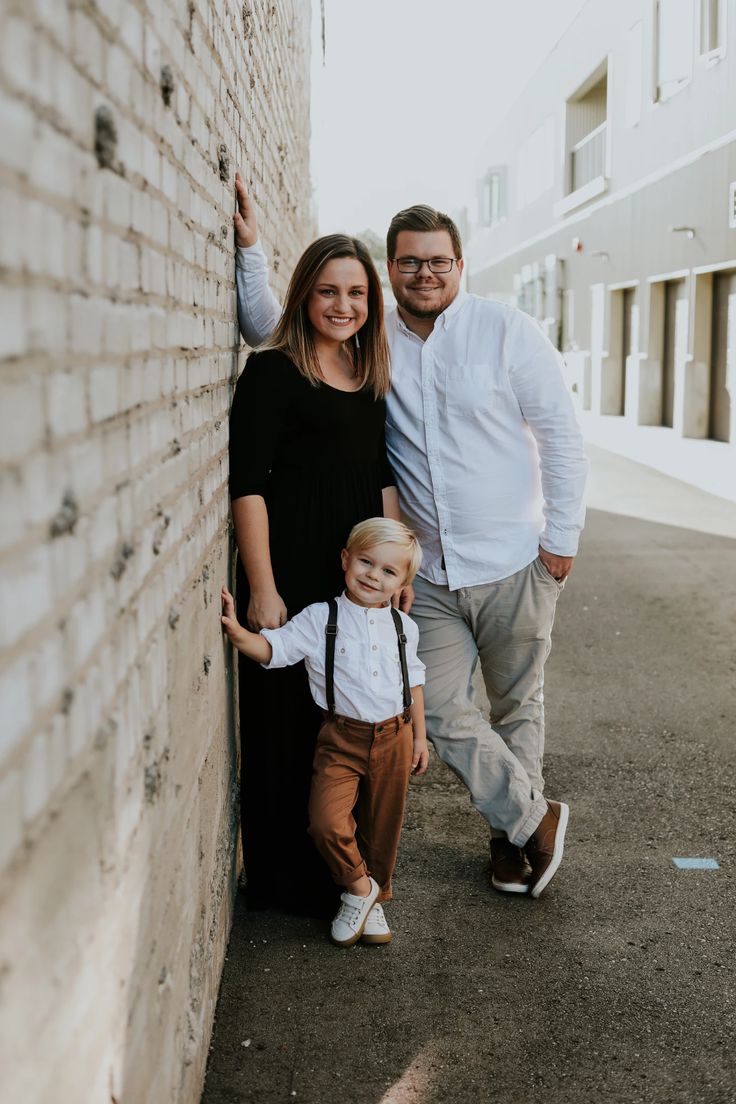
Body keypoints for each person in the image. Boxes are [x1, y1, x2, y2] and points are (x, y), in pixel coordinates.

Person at [234, 174, 588, 899]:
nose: (424, 273)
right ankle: (532, 819)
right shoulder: (372, 335)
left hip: (516, 562)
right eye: (409, 262)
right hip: (424, 574)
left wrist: (561, 539)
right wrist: (250, 253)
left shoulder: (506, 330)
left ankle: (512, 840)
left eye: (439, 261)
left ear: (460, 265)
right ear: (389, 268)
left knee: (519, 708)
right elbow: (281, 324)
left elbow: (559, 434)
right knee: (446, 714)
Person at [229, 224, 400, 916]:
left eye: (356, 292)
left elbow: (379, 473)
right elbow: (248, 485)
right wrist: (263, 587)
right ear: (304, 296)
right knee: (289, 723)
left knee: (347, 719)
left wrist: (393, 564)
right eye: (328, 290)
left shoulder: (369, 373)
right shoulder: (273, 371)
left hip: (355, 576)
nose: (343, 305)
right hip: (292, 572)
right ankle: (285, 882)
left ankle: (344, 874)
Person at [221, 518, 428, 946]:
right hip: (342, 739)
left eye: (389, 571)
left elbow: (414, 682)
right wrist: (239, 634)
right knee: (326, 822)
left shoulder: (404, 627)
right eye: (366, 562)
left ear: (403, 583)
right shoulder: (321, 618)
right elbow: (275, 650)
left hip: (396, 735)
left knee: (381, 826)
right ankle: (358, 888)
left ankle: (375, 899)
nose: (374, 575)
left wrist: (421, 737)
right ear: (345, 560)